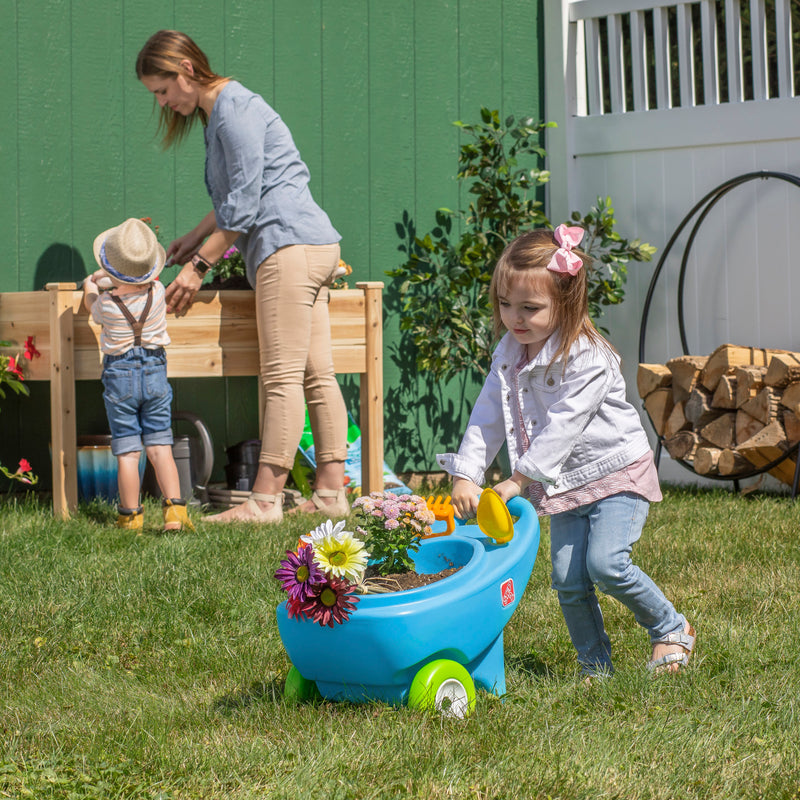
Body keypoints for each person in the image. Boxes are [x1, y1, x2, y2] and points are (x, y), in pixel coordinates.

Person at [437, 226, 695, 677]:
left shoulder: (589, 356)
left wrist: (519, 480)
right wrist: (466, 473)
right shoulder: (510, 351)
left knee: (607, 565)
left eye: (530, 308)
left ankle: (670, 628)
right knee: (568, 579)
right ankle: (594, 666)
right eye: (505, 304)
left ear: (566, 301)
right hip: (565, 483)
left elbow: (564, 426)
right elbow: (487, 414)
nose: (514, 318)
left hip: (614, 471)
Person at [135, 29, 349, 525]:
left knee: (281, 377)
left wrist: (198, 266)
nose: (163, 102)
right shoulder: (223, 112)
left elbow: (246, 206)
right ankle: (332, 493)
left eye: (162, 90)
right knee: (317, 375)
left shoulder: (234, 111)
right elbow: (235, 196)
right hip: (310, 244)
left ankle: (265, 501)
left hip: (288, 247)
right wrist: (194, 236)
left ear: (185, 69)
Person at [83, 217, 194, 533]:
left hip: (120, 379)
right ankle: (175, 515)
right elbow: (143, 279)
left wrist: (93, 284)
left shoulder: (106, 303)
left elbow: (92, 304)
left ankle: (130, 517)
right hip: (156, 375)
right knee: (161, 448)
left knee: (129, 453)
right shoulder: (158, 292)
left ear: (113, 270)